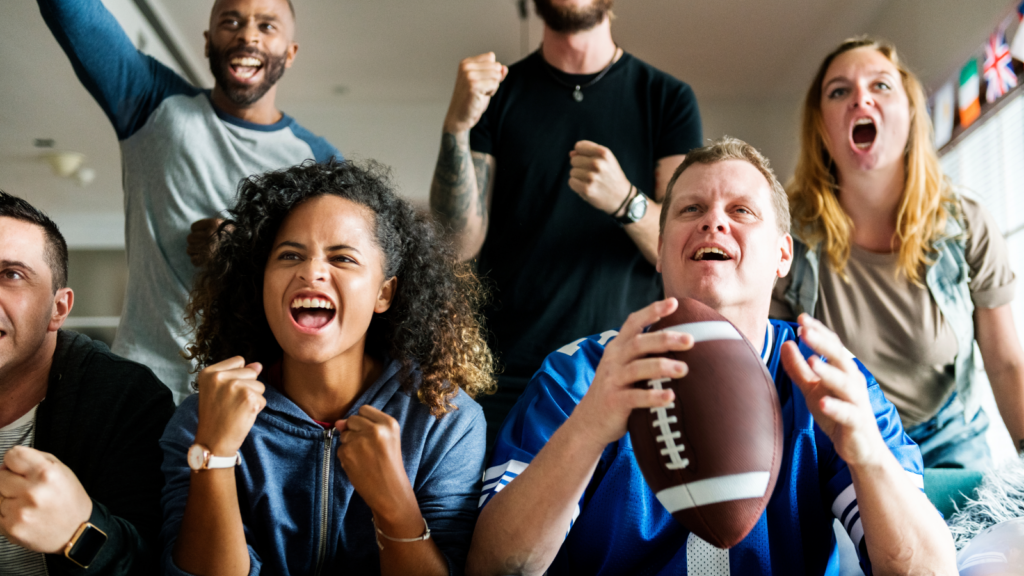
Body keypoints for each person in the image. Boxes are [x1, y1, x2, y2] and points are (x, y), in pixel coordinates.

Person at [468, 138, 957, 575]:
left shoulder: (829, 379)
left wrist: (868, 456)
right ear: (660, 250)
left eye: (742, 210)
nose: (713, 220)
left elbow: (929, 572)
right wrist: (590, 427)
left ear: (783, 254)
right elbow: (493, 566)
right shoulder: (578, 374)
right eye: (691, 209)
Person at [159, 160, 495, 575]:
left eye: (342, 258)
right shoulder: (202, 419)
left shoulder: (444, 417)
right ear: (261, 282)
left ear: (384, 293)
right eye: (289, 255)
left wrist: (395, 506)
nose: (311, 271)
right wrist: (216, 456)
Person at [37, 0, 339, 402]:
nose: (248, 35)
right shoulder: (153, 103)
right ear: (208, 40)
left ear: (290, 51)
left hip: (256, 393)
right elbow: (69, 11)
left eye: (267, 26)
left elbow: (333, 278)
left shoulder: (317, 162)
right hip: (141, 386)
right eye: (230, 21)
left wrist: (241, 250)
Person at [429, 0, 702, 440]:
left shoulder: (667, 98)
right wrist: (457, 128)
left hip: (626, 368)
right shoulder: (495, 95)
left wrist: (626, 200)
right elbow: (455, 243)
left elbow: (682, 242)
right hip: (505, 376)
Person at [772, 37, 1024, 469]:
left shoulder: (965, 223)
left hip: (951, 443)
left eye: (881, 86)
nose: (860, 99)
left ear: (910, 111)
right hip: (843, 445)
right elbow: (770, 374)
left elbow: (1004, 364)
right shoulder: (784, 238)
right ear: (821, 126)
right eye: (839, 91)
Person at [0, 191, 175, 575]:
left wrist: (78, 532)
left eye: (11, 275)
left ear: (58, 309)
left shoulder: (127, 398)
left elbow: (160, 565)